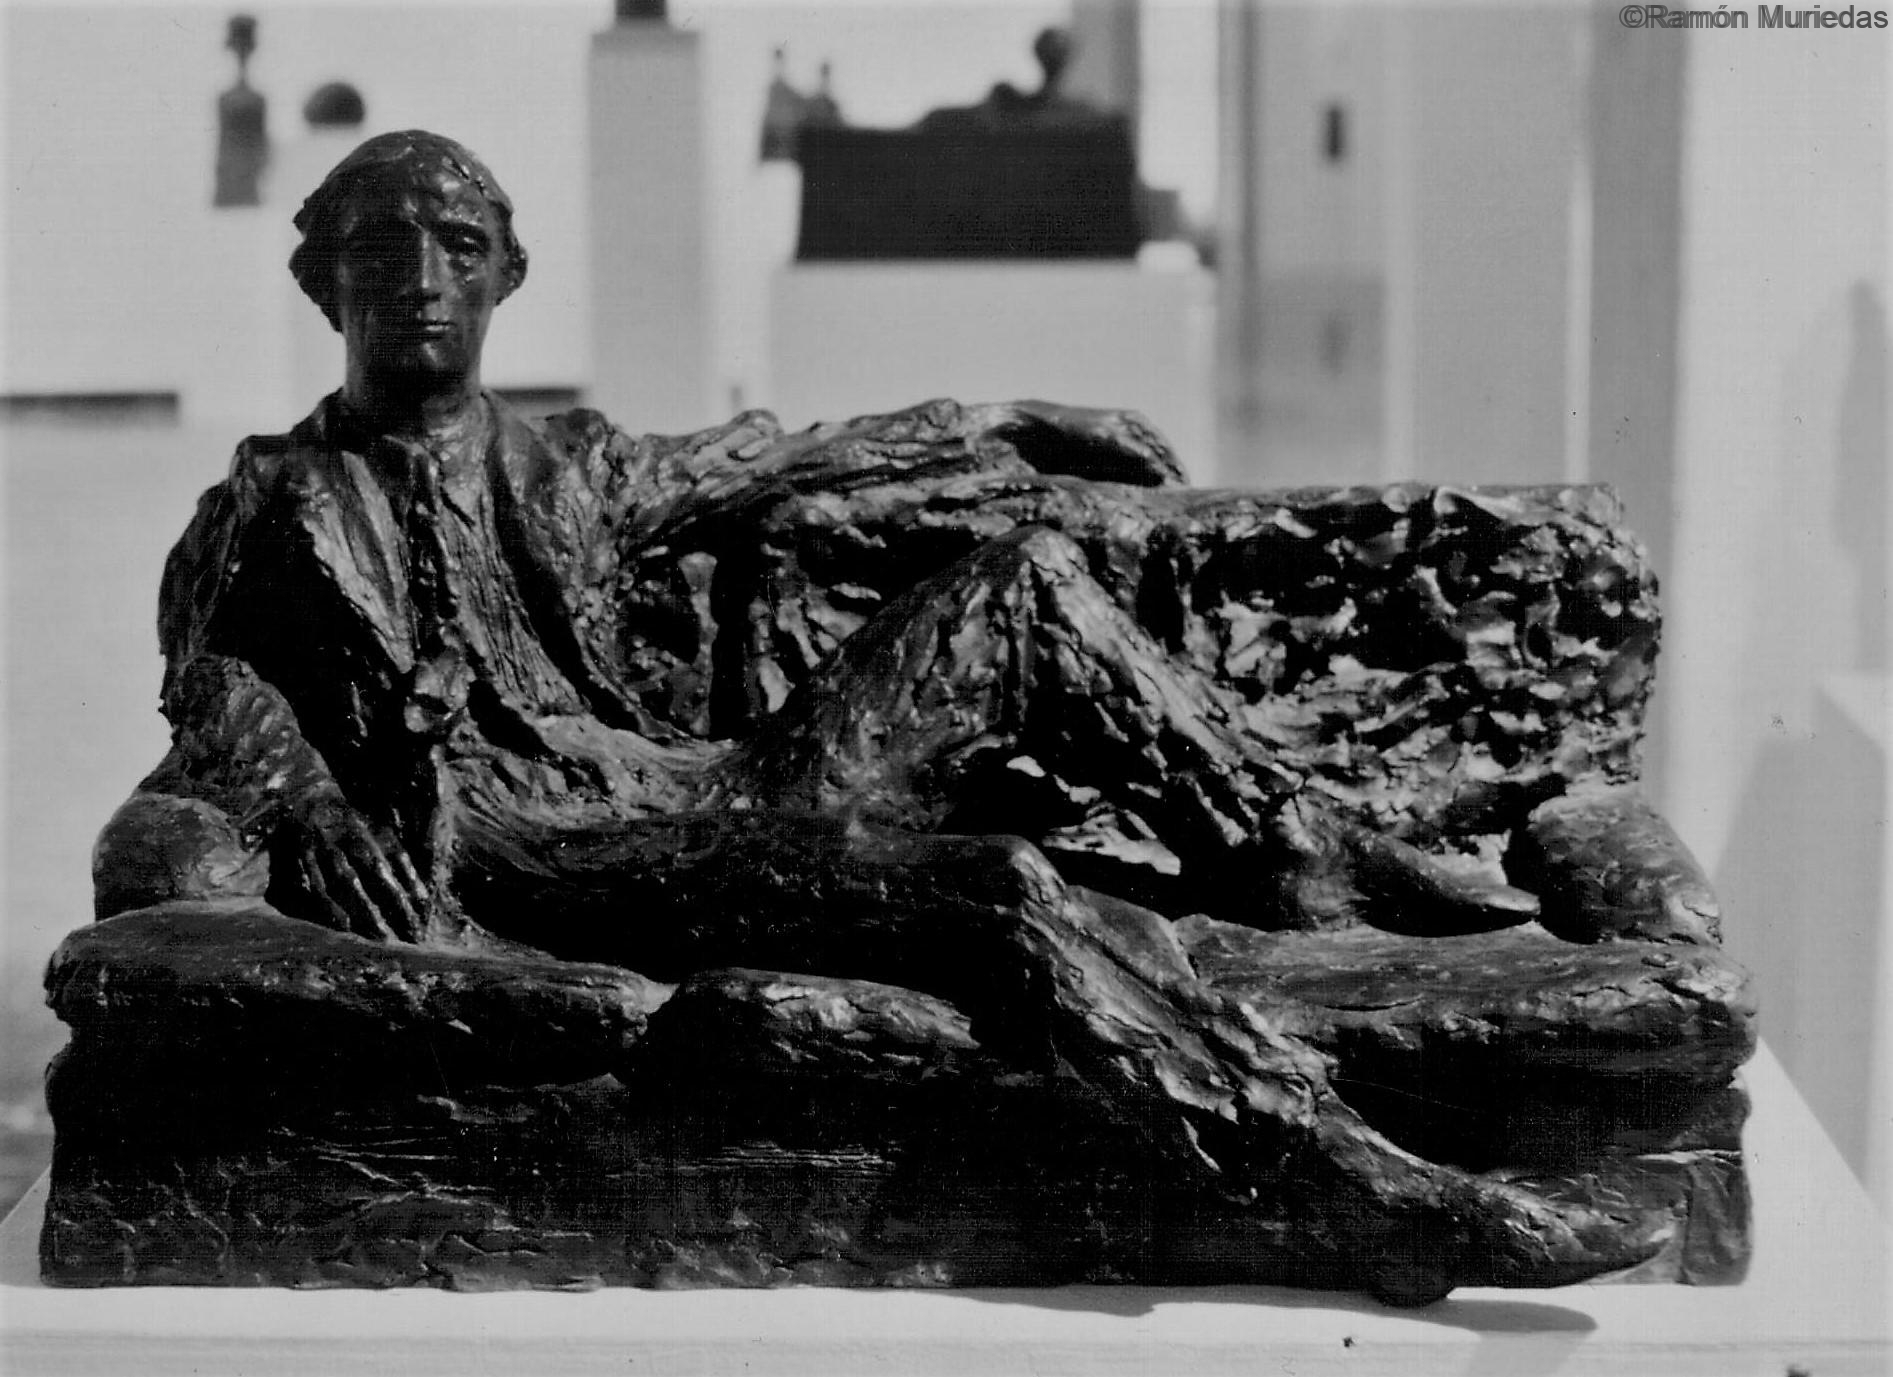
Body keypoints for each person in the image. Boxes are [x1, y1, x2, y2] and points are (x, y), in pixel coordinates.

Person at [112, 130, 1674, 1299]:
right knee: (993, 888)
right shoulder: (268, 503)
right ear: (321, 281)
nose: (419, 278)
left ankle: (1293, 846)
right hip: (555, 854)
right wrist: (312, 797)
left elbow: (782, 452)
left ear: (504, 275)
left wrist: (1010, 419)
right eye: (380, 250)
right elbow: (210, 681)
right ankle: (1349, 1184)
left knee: (1022, 584)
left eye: (455, 244)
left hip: (704, 788)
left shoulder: (568, 463)